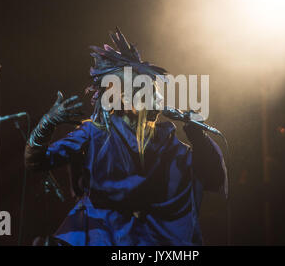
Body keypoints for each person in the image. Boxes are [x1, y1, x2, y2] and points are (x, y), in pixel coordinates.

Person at [24, 28, 228, 245]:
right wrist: (47, 123)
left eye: (152, 89)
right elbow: (35, 161)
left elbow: (212, 178)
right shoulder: (95, 133)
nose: (152, 96)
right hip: (100, 235)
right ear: (120, 95)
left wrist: (199, 138)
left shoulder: (165, 141)